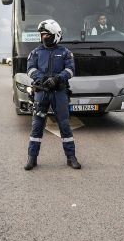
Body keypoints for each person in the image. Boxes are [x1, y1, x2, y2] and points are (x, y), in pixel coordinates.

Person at [24, 19, 81, 170]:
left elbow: (70, 70)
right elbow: (29, 69)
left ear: (55, 35)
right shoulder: (35, 52)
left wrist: (57, 79)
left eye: (46, 34)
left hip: (59, 92)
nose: (43, 37)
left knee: (64, 125)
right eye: (42, 34)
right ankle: (32, 158)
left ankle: (71, 157)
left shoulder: (65, 53)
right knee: (37, 125)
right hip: (41, 93)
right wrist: (41, 78)